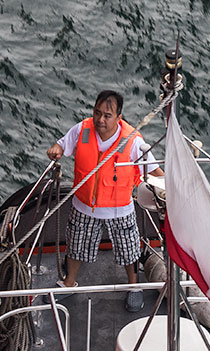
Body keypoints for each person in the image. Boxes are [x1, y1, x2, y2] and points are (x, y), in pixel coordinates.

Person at [46, 90, 164, 312]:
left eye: (107, 115)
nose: (100, 119)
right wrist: (56, 149)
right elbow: (62, 145)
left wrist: (170, 187)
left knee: (129, 250)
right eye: (97, 113)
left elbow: (155, 171)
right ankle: (69, 282)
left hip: (120, 209)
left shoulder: (133, 142)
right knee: (75, 246)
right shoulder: (81, 129)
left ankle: (134, 286)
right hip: (83, 206)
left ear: (119, 117)